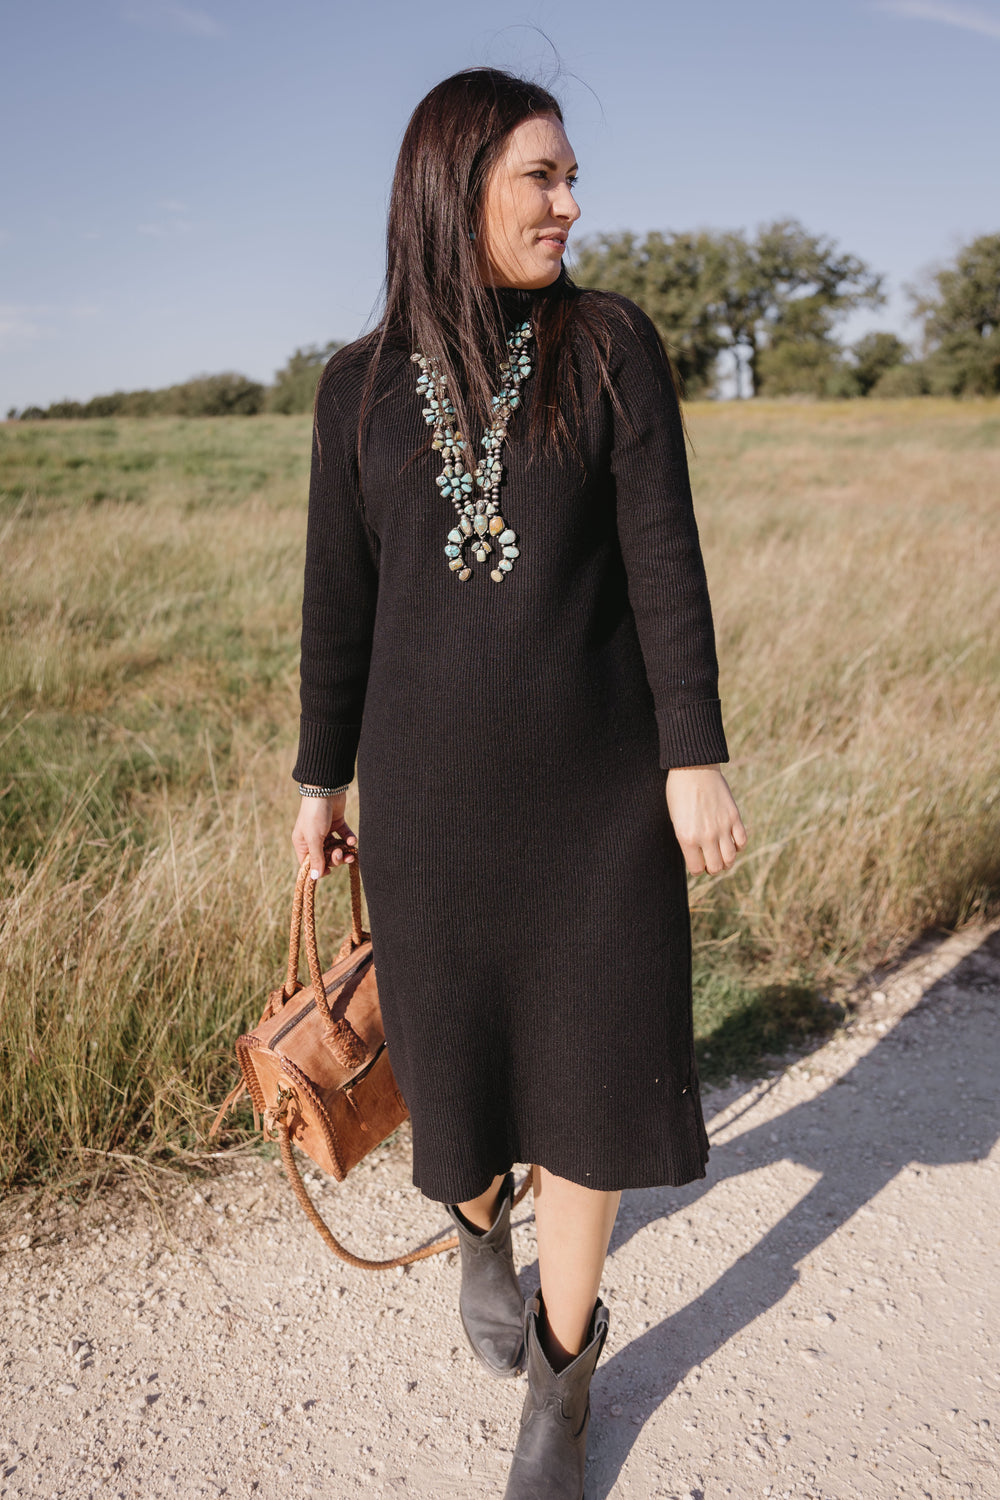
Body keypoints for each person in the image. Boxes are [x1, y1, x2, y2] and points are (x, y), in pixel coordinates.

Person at [291, 67, 746, 1500]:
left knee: (599, 1072)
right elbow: (336, 606)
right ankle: (476, 1218)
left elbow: (666, 561)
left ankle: (564, 1373)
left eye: (569, 176)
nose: (571, 201)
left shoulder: (611, 346)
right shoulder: (354, 389)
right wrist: (318, 783)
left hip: (602, 797)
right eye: (540, 178)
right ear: (457, 188)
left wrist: (694, 757)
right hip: (429, 804)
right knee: (465, 1067)